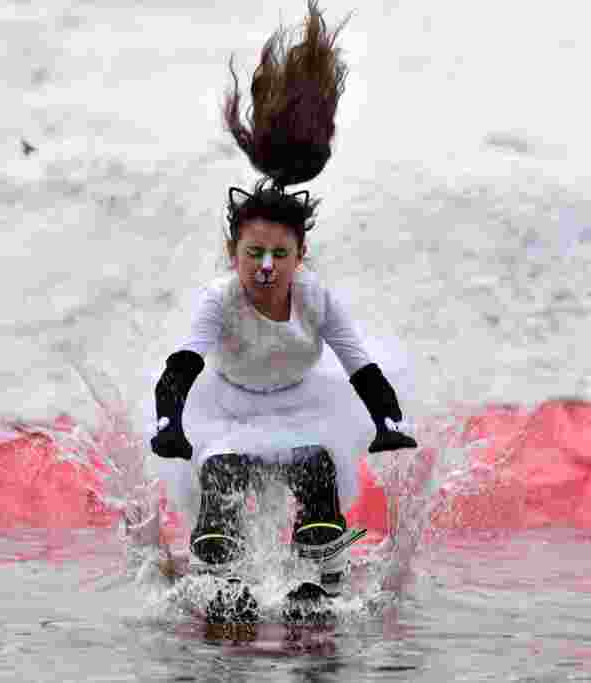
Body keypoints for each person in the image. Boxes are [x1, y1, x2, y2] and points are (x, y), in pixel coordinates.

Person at [148, 0, 417, 593]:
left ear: (300, 257)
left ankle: (319, 566)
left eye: (280, 256)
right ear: (232, 255)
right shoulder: (218, 301)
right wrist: (169, 423)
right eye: (252, 255)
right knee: (223, 476)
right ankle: (217, 563)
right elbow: (182, 367)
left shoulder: (317, 299)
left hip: (302, 407)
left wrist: (387, 420)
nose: (266, 267)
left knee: (317, 471)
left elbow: (360, 365)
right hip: (230, 411)